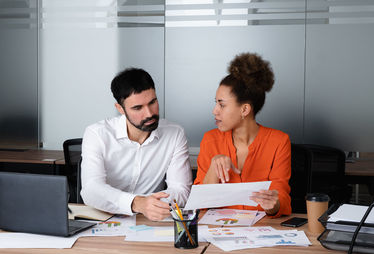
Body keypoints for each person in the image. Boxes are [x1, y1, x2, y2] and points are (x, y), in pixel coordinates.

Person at [81, 68, 192, 221]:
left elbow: (181, 190)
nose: (149, 113)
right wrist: (137, 203)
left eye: (152, 102)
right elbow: (91, 189)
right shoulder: (97, 134)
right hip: (105, 220)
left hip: (150, 222)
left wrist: (153, 205)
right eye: (137, 108)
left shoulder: (175, 133)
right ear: (120, 109)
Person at [194, 53, 291, 218]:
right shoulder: (210, 140)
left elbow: (280, 197)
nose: (215, 111)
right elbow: (200, 205)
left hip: (262, 232)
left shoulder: (279, 141)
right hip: (218, 233)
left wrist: (273, 204)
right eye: (215, 103)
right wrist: (213, 167)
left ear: (244, 109)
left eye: (222, 105)